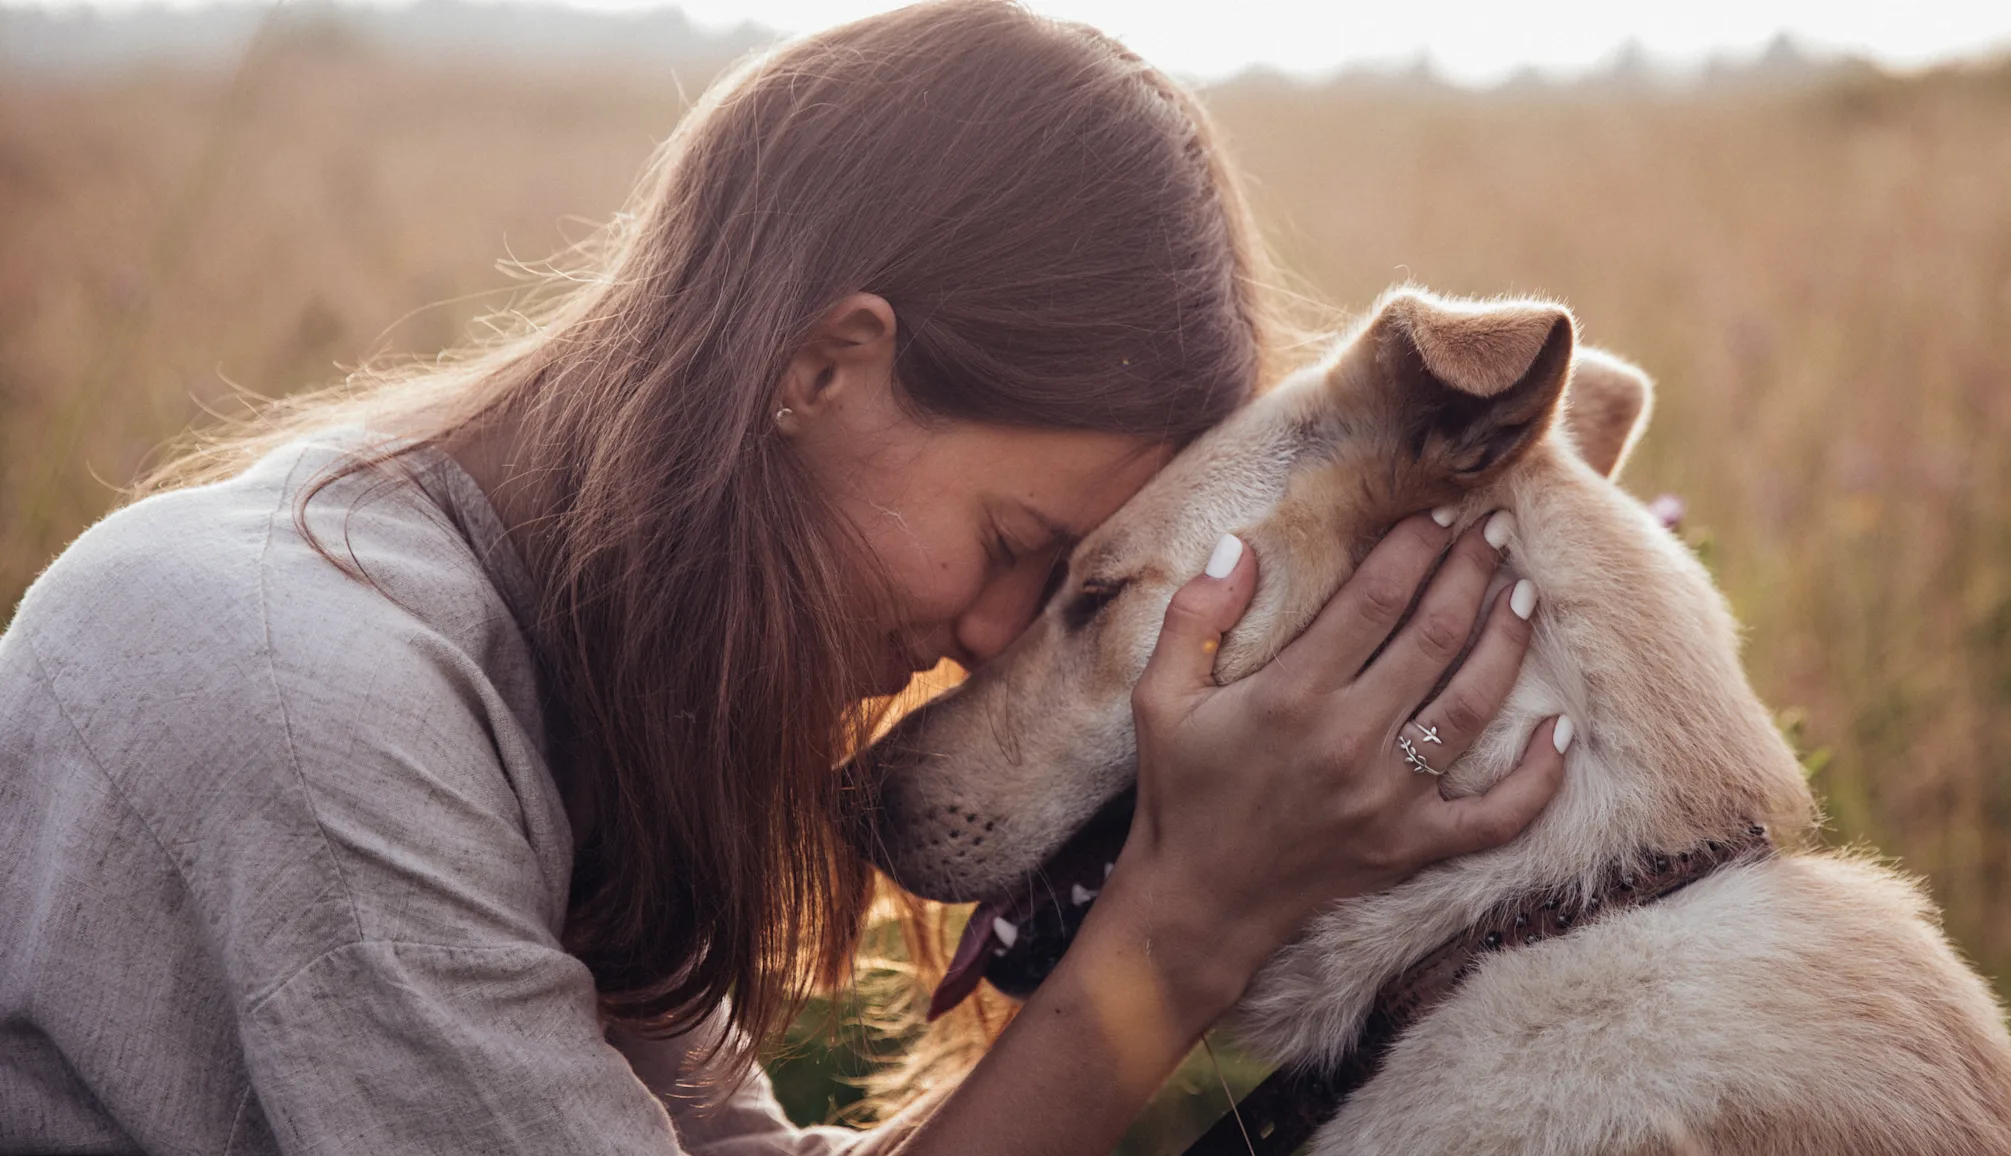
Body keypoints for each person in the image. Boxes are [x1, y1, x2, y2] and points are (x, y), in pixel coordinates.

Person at [0, 3, 1566, 1152]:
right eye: (1019, 549)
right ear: (827, 365)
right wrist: (1189, 920)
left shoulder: (560, 660)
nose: (990, 638)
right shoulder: (307, 697)